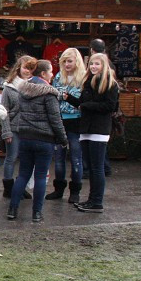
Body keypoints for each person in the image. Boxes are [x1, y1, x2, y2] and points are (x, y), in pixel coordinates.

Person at [6, 59, 66, 222]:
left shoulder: (23, 90)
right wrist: (63, 139)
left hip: (25, 136)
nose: (52, 74)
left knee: (23, 174)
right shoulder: (49, 92)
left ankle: (12, 209)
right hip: (44, 139)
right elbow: (55, 119)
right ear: (43, 73)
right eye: (51, 71)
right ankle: (37, 213)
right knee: (40, 176)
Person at [69, 53, 119, 212]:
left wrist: (87, 106)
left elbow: (110, 106)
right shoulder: (88, 81)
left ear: (104, 65)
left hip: (99, 129)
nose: (93, 67)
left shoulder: (110, 84)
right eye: (91, 64)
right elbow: (82, 104)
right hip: (85, 128)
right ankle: (91, 199)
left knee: (97, 168)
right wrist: (69, 98)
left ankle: (97, 201)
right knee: (90, 167)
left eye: (97, 64)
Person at [47, 48, 86, 204]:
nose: (67, 64)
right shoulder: (58, 77)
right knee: (59, 157)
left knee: (76, 157)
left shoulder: (83, 78)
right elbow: (54, 97)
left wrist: (67, 98)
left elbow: (82, 101)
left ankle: (75, 190)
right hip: (60, 119)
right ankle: (59, 189)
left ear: (77, 61)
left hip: (76, 120)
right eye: (64, 61)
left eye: (69, 61)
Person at [0, 55, 36, 199]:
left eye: (31, 68)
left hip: (29, 129)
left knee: (26, 159)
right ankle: (8, 188)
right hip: (14, 128)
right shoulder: (9, 87)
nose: (28, 71)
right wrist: (6, 131)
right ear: (18, 68)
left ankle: (21, 186)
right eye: (25, 68)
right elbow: (4, 111)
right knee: (11, 157)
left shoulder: (36, 85)